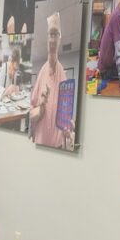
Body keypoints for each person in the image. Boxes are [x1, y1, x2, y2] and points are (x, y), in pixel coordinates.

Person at [29, 11, 73, 150]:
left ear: (60, 40)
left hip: (57, 146)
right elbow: (30, 112)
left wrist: (69, 127)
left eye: (56, 35)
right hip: (40, 143)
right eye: (50, 35)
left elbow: (67, 118)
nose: (52, 40)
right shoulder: (42, 73)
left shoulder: (64, 79)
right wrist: (40, 108)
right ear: (47, 39)